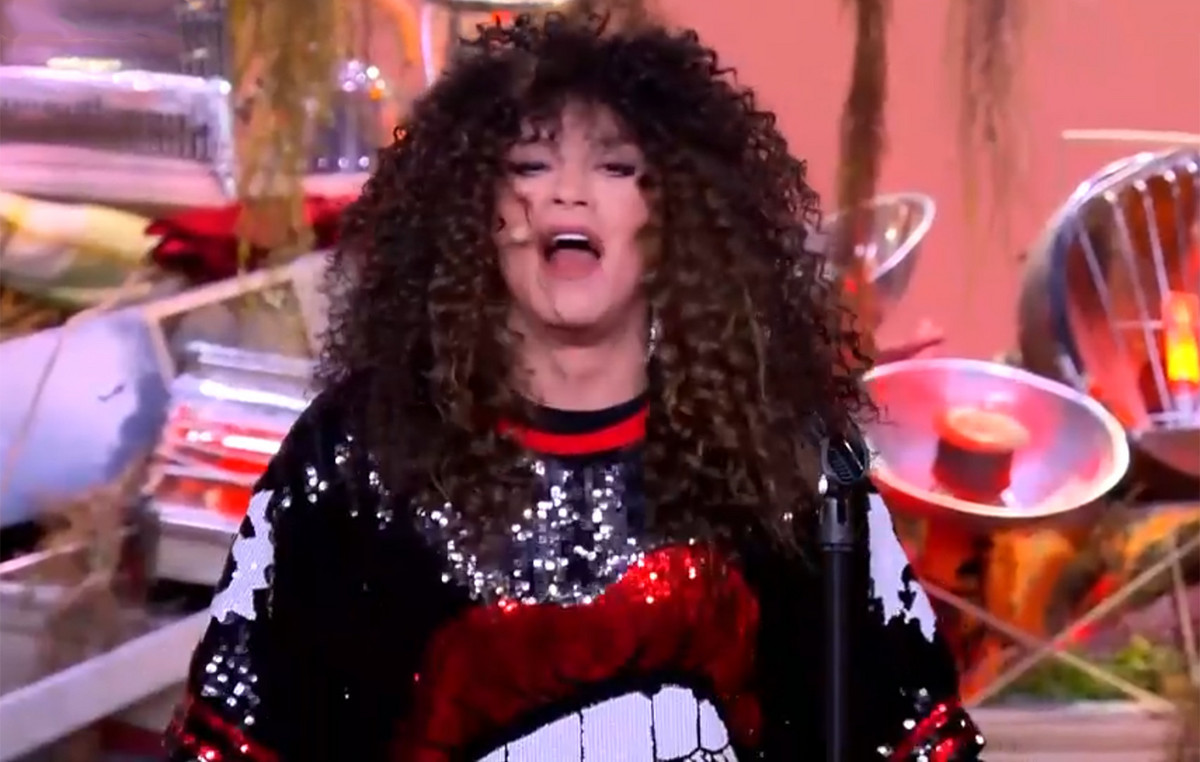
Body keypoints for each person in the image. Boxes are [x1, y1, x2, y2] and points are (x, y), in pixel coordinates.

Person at [164, 12, 985, 762]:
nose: (568, 191)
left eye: (616, 166)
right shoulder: (357, 454)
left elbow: (910, 733)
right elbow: (235, 739)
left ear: (675, 219)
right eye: (530, 164)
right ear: (478, 214)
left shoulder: (793, 463)